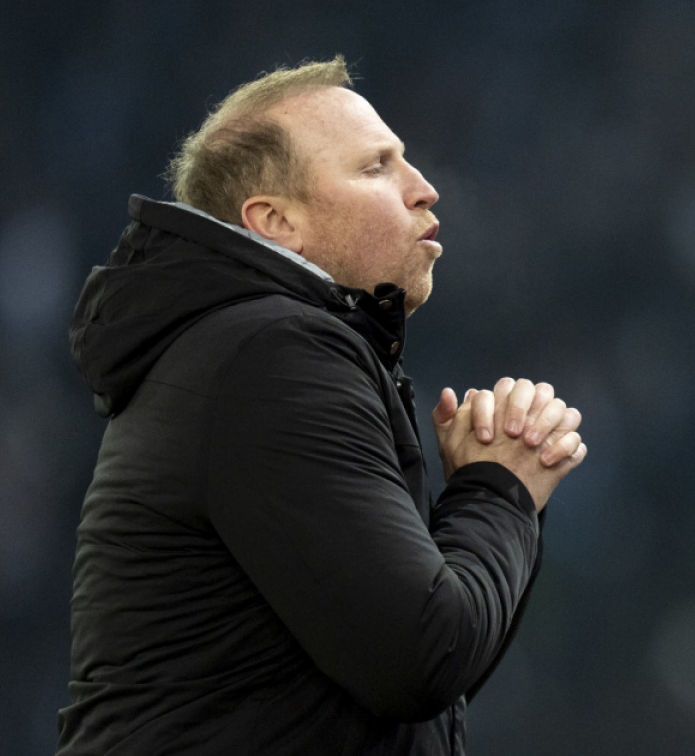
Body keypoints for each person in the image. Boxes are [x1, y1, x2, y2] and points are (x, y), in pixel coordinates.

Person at [57, 56, 586, 754]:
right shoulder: (272, 353)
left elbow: (419, 685)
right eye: (376, 168)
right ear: (275, 221)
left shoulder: (241, 350)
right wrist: (499, 489)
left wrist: (495, 498)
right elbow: (422, 659)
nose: (424, 188)